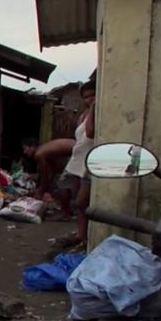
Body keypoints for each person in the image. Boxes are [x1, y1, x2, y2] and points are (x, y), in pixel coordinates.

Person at [61, 79, 96, 245]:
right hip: (78, 162)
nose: (89, 99)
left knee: (82, 202)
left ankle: (87, 235)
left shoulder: (96, 112)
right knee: (79, 204)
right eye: (86, 97)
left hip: (90, 163)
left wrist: (94, 108)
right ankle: (81, 235)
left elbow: (90, 133)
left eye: (92, 95)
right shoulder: (83, 114)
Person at [22, 137, 75, 219]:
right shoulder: (46, 151)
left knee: (63, 184)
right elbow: (50, 172)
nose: (24, 152)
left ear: (32, 147)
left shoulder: (39, 154)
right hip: (75, 150)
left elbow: (44, 174)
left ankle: (65, 214)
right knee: (61, 182)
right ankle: (67, 210)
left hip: (76, 151)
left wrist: (41, 191)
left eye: (25, 149)